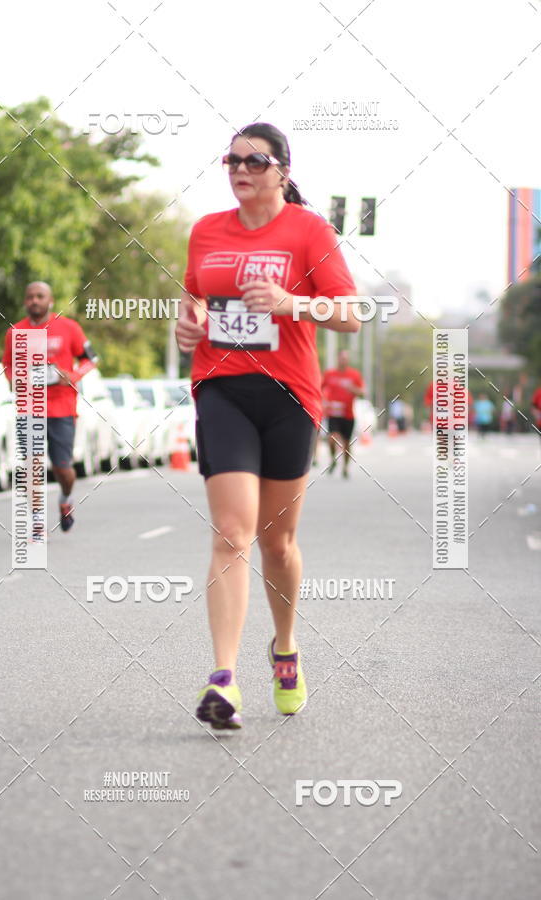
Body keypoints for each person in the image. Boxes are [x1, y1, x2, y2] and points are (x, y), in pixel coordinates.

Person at [176, 122, 360, 730]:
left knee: (276, 544)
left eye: (253, 161)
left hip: (289, 397)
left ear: (282, 169)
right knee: (232, 532)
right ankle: (223, 681)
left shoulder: (309, 231)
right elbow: (194, 303)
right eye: (230, 160)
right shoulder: (206, 231)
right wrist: (188, 328)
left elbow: (351, 315)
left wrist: (292, 304)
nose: (239, 170)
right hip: (222, 387)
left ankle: (285, 648)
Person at [2, 282, 98, 532]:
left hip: (62, 408)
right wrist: (13, 380)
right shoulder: (16, 332)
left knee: (62, 469)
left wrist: (74, 376)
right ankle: (36, 520)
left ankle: (65, 499)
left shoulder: (68, 328)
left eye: (40, 296)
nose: (34, 300)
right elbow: (7, 364)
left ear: (50, 300)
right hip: (29, 407)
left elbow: (92, 359)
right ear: (25, 301)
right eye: (30, 296)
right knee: (32, 463)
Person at [321, 350, 365, 477]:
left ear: (348, 360)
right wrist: (324, 401)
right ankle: (333, 459)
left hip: (348, 414)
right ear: (337, 359)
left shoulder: (354, 375)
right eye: (341, 358)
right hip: (333, 413)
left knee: (347, 443)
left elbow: (362, 392)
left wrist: (352, 389)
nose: (343, 360)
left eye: (346, 358)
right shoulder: (330, 374)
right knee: (331, 438)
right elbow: (320, 388)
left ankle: (345, 467)